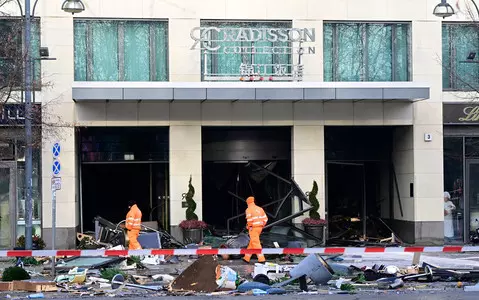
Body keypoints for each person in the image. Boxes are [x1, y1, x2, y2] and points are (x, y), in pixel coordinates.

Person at [243, 196, 268, 263]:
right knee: (252, 243)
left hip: (253, 228)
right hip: (259, 228)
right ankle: (246, 258)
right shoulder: (260, 209)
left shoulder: (248, 209)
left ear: (248, 202)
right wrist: (262, 225)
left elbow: (249, 219)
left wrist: (250, 226)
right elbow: (265, 219)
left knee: (256, 243)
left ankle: (261, 259)